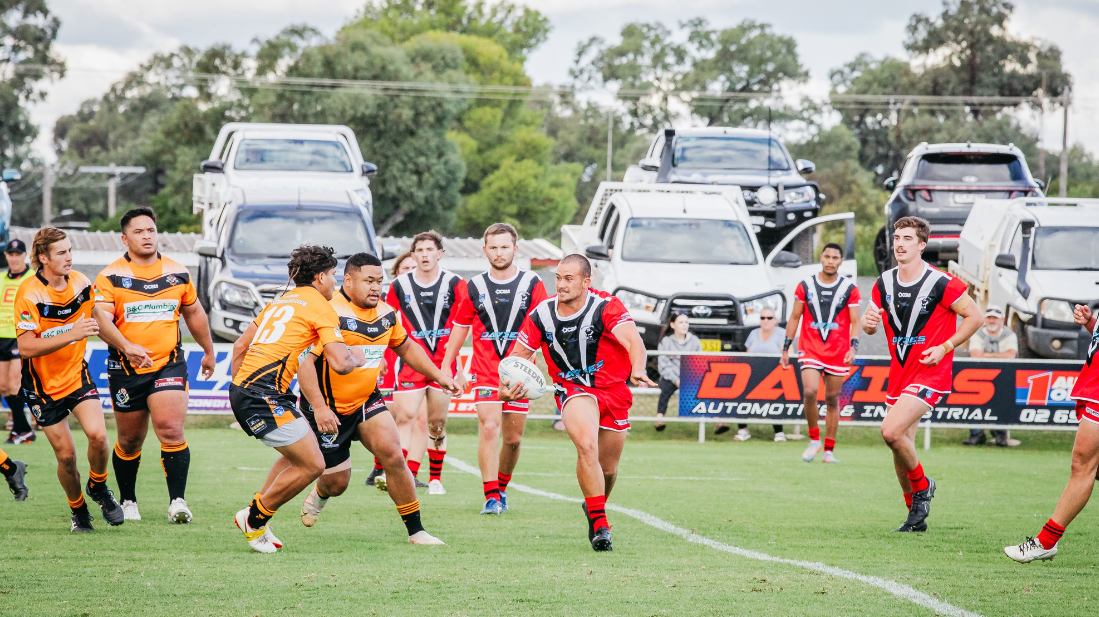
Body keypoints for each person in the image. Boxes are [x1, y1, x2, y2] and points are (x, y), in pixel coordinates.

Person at [294, 252, 456, 544]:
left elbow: (406, 348)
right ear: (348, 280)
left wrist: (439, 376)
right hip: (328, 409)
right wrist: (318, 407)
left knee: (394, 455)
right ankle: (320, 492)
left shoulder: (386, 314)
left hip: (367, 400)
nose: (375, 287)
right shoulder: (329, 312)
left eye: (379, 281)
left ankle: (416, 531)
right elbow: (304, 363)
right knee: (337, 483)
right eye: (368, 281)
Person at [501, 254, 655, 551]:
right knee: (586, 445)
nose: (561, 284)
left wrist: (638, 368)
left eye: (568, 279)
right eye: (558, 278)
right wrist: (504, 387)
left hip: (613, 390)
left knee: (607, 470)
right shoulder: (541, 315)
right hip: (573, 389)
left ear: (586, 281)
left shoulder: (606, 306)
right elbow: (516, 359)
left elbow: (633, 341)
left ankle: (593, 505)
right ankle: (601, 526)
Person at [229, 245, 365, 553]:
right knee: (314, 464)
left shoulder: (279, 301)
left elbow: (239, 347)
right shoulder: (321, 308)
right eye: (333, 275)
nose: (335, 282)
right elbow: (340, 363)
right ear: (320, 277)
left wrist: (238, 391)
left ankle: (254, 514)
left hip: (250, 390)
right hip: (262, 394)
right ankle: (254, 518)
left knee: (298, 456)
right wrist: (357, 357)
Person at [92, 207, 217, 523]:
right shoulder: (110, 276)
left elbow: (194, 313)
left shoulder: (178, 273)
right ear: (125, 239)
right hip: (126, 369)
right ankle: (128, 500)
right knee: (130, 441)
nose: (146, 236)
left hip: (168, 364)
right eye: (138, 232)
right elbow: (101, 321)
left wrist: (208, 350)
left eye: (150, 230)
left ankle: (178, 501)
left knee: (171, 429)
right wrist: (127, 347)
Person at [862, 216, 983, 532]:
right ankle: (915, 515)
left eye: (907, 239)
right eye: (897, 238)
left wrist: (945, 347)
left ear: (921, 245)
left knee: (890, 432)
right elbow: (869, 322)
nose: (900, 244)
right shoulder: (883, 282)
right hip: (900, 373)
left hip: (930, 373)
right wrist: (867, 323)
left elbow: (975, 317)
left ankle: (923, 486)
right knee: (900, 445)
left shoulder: (941, 282)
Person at [15, 227, 124, 531]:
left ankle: (98, 486)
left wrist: (127, 346)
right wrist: (71, 333)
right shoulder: (29, 292)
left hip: (77, 375)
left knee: (99, 437)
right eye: (61, 252)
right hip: (42, 388)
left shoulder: (80, 282)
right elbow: (26, 347)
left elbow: (97, 318)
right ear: (43, 257)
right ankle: (79, 510)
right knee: (66, 458)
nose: (69, 257)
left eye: (70, 250)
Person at [442, 223, 548, 515]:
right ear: (484, 250)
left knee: (513, 440)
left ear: (515, 249)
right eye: (493, 247)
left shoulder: (532, 283)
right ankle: (490, 496)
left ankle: (501, 488)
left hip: (521, 373)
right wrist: (448, 365)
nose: (499, 252)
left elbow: (545, 326)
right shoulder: (474, 286)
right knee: (489, 427)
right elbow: (460, 327)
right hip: (486, 371)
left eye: (505, 247)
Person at [1004, 304, 1098, 563]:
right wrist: (1091, 324)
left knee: (1082, 466)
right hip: (1093, 384)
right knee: (1091, 468)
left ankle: (1045, 541)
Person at [386, 231, 461, 495]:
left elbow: (464, 323)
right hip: (411, 362)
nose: (425, 255)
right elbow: (387, 321)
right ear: (413, 254)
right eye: (420, 250)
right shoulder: (399, 285)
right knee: (405, 416)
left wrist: (456, 365)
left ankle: (436, 479)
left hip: (442, 364)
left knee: (436, 423)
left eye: (430, 250)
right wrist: (381, 356)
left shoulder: (455, 283)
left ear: (440, 253)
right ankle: (400, 475)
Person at [780, 243, 861, 464]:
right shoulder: (805, 285)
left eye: (835, 258)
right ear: (821, 258)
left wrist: (853, 347)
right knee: (810, 391)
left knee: (832, 398)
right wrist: (786, 347)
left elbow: (855, 321)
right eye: (827, 257)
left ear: (841, 261)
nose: (830, 261)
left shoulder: (849, 288)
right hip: (810, 349)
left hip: (838, 351)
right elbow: (795, 317)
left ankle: (829, 451)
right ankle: (814, 439)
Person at [367, 250, 429, 490]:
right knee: (388, 415)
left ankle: (409, 472)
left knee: (418, 419)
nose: (410, 273)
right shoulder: (384, 301)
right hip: (388, 360)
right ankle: (380, 465)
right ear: (396, 273)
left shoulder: (424, 301)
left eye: (414, 269)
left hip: (411, 363)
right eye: (405, 269)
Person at [729, 306, 786, 441]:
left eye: (769, 318)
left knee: (775, 398)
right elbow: (747, 355)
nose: (766, 321)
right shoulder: (753, 334)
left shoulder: (781, 333)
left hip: (774, 375)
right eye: (762, 318)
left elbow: (788, 355)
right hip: (753, 374)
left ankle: (779, 431)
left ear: (775, 320)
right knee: (740, 392)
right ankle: (743, 429)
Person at [963, 306, 1018, 447]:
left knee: (1003, 403)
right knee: (974, 403)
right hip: (979, 377)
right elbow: (975, 355)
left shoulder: (1010, 335)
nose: (992, 321)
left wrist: (986, 355)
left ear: (1002, 320)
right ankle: (976, 433)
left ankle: (1000, 433)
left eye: (995, 318)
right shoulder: (977, 333)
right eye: (989, 318)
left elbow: (1010, 355)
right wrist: (999, 356)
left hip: (1003, 377)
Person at [1, 239, 34, 444]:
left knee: (15, 383)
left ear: (24, 255)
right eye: (10, 254)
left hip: (20, 334)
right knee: (3, 386)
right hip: (1, 336)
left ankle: (19, 430)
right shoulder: (1, 278)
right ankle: (24, 430)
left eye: (17, 254)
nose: (14, 258)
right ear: (6, 256)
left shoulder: (33, 278)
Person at [655, 313, 700, 432]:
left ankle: (717, 420)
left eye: (686, 322)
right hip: (671, 377)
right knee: (665, 389)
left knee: (707, 389)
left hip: (690, 377)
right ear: (672, 325)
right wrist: (676, 380)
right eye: (681, 322)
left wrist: (688, 378)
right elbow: (663, 365)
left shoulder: (694, 340)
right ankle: (659, 418)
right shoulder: (666, 341)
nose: (684, 325)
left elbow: (699, 362)